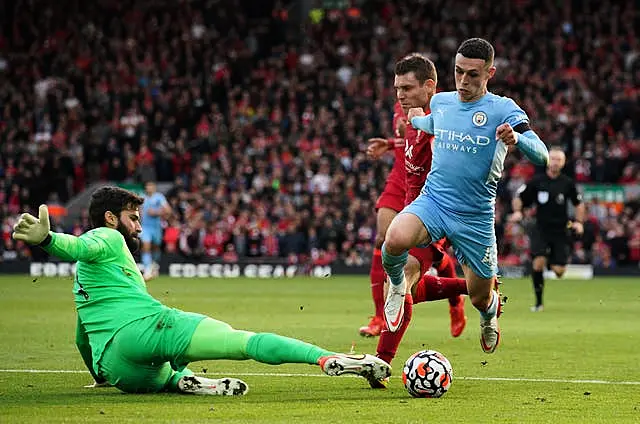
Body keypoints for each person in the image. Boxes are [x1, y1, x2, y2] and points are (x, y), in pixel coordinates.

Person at [11, 186, 391, 395]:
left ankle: (184, 381)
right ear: (111, 218)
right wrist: (47, 239)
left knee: (165, 374)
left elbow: (83, 334)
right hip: (148, 328)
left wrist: (100, 374)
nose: (140, 224)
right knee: (242, 342)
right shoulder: (106, 237)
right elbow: (78, 245)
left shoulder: (86, 277)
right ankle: (327, 359)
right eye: (133, 217)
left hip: (120, 369)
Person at [384, 38, 549, 354]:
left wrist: (517, 139)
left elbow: (542, 154)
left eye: (473, 74)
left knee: (479, 296)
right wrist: (415, 119)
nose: (463, 81)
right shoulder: (444, 102)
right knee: (394, 239)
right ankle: (396, 286)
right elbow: (432, 123)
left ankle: (489, 317)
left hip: (475, 217)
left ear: (490, 73)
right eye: (459, 72)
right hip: (435, 201)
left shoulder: (503, 108)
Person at [364, 54, 470, 387]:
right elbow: (414, 144)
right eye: (397, 88)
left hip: (437, 209)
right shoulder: (410, 113)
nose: (399, 94)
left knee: (402, 277)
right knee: (402, 279)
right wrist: (394, 141)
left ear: (429, 87)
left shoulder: (445, 117)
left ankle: (381, 362)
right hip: (411, 200)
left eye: (407, 88)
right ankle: (472, 288)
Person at [510, 146, 584, 311]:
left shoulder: (567, 183)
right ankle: (538, 303)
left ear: (563, 163)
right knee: (537, 264)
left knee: (559, 271)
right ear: (546, 160)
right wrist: (517, 212)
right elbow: (519, 197)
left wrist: (579, 222)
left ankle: (551, 259)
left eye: (559, 159)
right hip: (541, 229)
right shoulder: (537, 181)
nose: (555, 162)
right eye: (552, 159)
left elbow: (579, 204)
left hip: (560, 230)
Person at [141, 181, 171, 280]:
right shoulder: (142, 197)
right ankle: (147, 270)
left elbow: (168, 210)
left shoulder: (159, 197)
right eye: (147, 186)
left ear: (154, 187)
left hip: (156, 227)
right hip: (145, 227)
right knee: (146, 246)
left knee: (156, 247)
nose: (149, 188)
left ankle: (154, 264)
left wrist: (156, 212)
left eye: (151, 186)